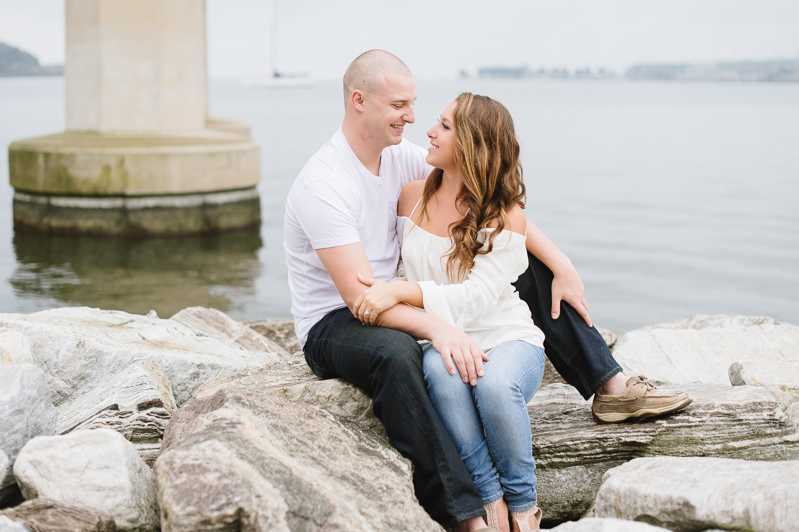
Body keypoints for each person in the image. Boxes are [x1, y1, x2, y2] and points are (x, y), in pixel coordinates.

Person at [283, 50, 690, 531]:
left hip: (401, 295)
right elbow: (361, 301)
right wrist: (440, 330)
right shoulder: (324, 183)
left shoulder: (402, 158)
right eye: (399, 106)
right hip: (337, 320)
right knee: (399, 356)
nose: (412, 118)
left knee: (520, 261)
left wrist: (561, 263)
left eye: (414, 105)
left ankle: (610, 385)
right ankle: (467, 515)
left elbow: (487, 200)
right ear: (358, 101)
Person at [353, 92, 548, 531]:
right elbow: (403, 265)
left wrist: (401, 290)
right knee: (442, 373)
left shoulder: (504, 215)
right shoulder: (411, 198)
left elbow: (477, 297)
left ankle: (524, 506)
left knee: (496, 386)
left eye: (443, 126)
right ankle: (490, 500)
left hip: (505, 336)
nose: (429, 131)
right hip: (438, 337)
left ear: (473, 143)